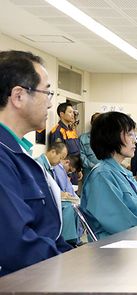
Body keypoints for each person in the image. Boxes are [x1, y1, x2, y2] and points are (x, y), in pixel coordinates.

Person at [0, 50, 72, 276]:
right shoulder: (3, 156)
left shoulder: (19, 151)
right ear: (18, 96)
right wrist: (71, 267)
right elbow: (18, 243)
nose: (51, 105)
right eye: (47, 92)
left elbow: (47, 230)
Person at [81, 112, 137, 239]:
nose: (136, 140)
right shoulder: (102, 175)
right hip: (114, 249)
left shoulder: (123, 172)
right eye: (130, 134)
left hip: (133, 241)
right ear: (112, 137)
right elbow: (120, 224)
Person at [35, 142, 82, 245]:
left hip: (52, 198)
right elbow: (40, 187)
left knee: (75, 206)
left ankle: (74, 239)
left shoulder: (51, 167)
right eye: (61, 158)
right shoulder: (38, 165)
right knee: (68, 207)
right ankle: (66, 241)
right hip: (43, 200)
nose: (61, 161)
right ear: (53, 152)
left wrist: (62, 193)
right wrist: (59, 195)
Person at [79, 112, 100, 182]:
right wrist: (92, 166)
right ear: (92, 123)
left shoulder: (107, 139)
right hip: (89, 172)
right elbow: (81, 155)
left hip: (104, 172)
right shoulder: (83, 138)